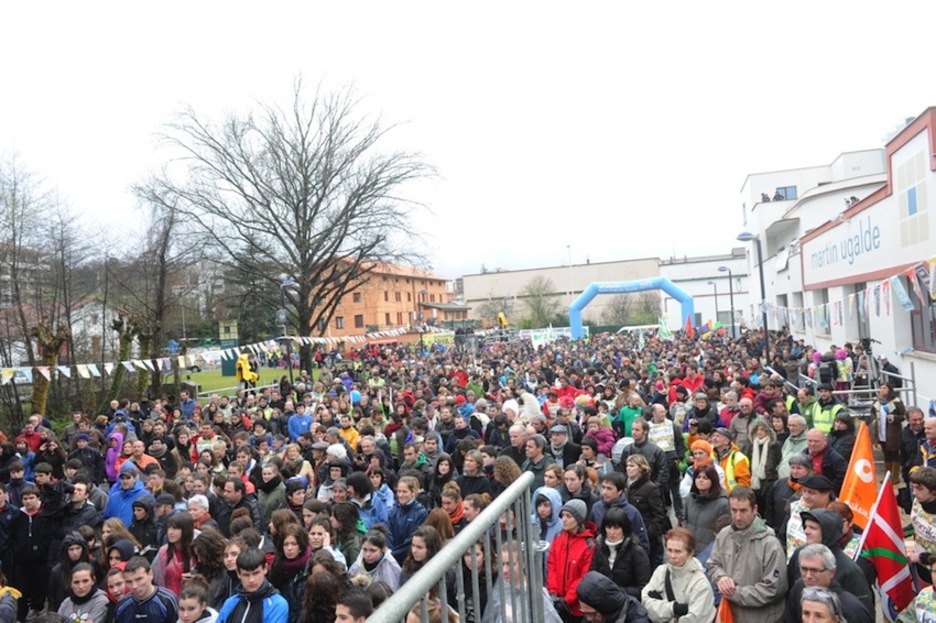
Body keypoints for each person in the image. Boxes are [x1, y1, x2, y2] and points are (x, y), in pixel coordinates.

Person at [706, 486, 788, 623]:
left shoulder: (770, 544)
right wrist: (721, 577)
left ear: (754, 509)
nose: (737, 517)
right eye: (734, 510)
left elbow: (774, 589)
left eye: (743, 511)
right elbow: (713, 564)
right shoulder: (724, 535)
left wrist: (735, 593)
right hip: (730, 615)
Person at [781, 543, 872, 623]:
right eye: (804, 569)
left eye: (814, 570)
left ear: (831, 572)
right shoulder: (798, 588)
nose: (808, 576)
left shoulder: (852, 608)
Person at [642, 528, 715, 623]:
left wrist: (660, 608)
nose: (672, 556)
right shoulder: (660, 572)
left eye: (678, 551)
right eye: (669, 550)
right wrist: (673, 608)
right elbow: (645, 602)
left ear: (690, 553)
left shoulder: (700, 583)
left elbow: (696, 619)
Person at [482, 542, 562, 623]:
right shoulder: (500, 592)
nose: (504, 570)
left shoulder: (536, 595)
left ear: (523, 562)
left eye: (510, 564)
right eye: (502, 564)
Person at [546, 499, 597, 620]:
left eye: (568, 516)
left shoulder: (589, 544)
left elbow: (584, 576)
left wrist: (567, 599)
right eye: (563, 515)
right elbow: (551, 565)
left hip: (577, 608)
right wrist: (552, 592)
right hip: (556, 602)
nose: (563, 519)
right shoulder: (558, 537)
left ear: (578, 519)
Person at [589, 507, 651, 599]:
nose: (612, 532)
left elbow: (645, 587)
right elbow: (592, 577)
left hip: (629, 604)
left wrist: (616, 591)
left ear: (624, 529)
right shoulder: (599, 549)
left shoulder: (636, 552)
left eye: (616, 528)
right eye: (609, 527)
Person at [216, 548, 287, 623]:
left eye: (256, 573)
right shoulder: (230, 603)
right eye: (246, 575)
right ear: (238, 574)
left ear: (265, 569)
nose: (251, 580)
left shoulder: (277, 604)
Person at [589, 472, 650, 555]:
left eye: (609, 489)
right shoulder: (596, 508)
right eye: (603, 487)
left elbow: (642, 542)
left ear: (620, 491)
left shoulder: (632, 512)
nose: (604, 492)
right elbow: (591, 533)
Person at [623, 455, 667, 564]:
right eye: (627, 465)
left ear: (641, 468)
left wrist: (648, 533)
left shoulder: (650, 488)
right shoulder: (626, 486)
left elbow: (659, 514)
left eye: (632, 466)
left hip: (647, 537)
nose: (628, 468)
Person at [115, 556, 179, 623]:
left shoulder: (168, 600)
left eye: (139, 579)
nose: (134, 586)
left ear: (150, 574)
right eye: (129, 582)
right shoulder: (122, 605)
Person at [267, 524, 310, 623]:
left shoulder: (309, 567)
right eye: (286, 544)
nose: (289, 548)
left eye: (294, 544)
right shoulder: (277, 566)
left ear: (300, 546)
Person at [683, 463, 729, 554]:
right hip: (689, 549)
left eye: (705, 478)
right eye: (698, 477)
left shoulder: (723, 503)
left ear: (713, 481)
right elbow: (684, 519)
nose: (701, 480)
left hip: (709, 552)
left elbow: (724, 532)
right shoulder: (690, 498)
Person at [576, 571, 650, 623]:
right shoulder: (595, 615)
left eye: (591, 614)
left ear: (605, 608)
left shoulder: (638, 619)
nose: (588, 619)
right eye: (585, 613)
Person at [871, 382, 906, 486]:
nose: (882, 390)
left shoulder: (896, 402)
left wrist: (894, 418)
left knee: (894, 454)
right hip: (881, 432)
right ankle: (887, 477)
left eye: (885, 388)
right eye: (881, 388)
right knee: (886, 455)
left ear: (889, 390)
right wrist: (874, 420)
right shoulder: (877, 401)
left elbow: (903, 416)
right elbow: (872, 412)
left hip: (893, 433)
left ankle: (895, 477)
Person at [387, 476, 428, 563]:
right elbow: (388, 533)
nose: (401, 495)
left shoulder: (421, 513)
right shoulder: (393, 510)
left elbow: (412, 540)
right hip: (392, 557)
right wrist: (390, 552)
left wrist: (393, 554)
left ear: (413, 492)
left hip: (410, 560)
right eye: (399, 491)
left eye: (404, 492)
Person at [347, 526, 402, 591]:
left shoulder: (392, 566)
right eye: (364, 550)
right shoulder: (356, 566)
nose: (367, 555)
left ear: (382, 549)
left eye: (372, 550)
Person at [908, 467, 936, 585]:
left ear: (933, 491)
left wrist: (921, 557)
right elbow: (916, 524)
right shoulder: (917, 503)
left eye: (919, 489)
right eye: (913, 487)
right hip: (920, 567)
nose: (914, 493)